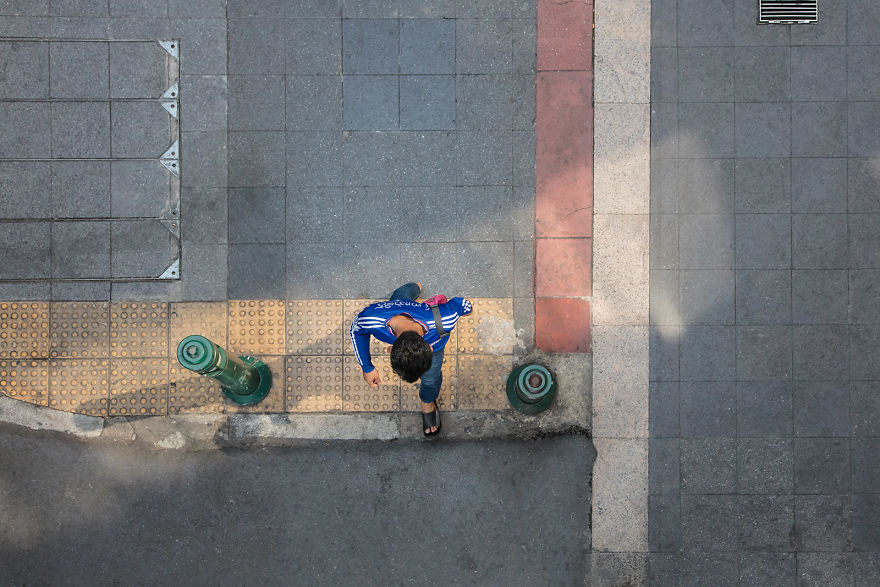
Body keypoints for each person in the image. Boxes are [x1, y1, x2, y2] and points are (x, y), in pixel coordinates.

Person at [349, 282, 472, 438]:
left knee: (430, 379)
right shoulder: (370, 319)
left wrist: (367, 367)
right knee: (400, 297)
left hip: (401, 311)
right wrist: (366, 366)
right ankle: (415, 287)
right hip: (402, 308)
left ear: (391, 349)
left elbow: (462, 304)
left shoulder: (446, 319)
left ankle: (427, 402)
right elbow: (356, 330)